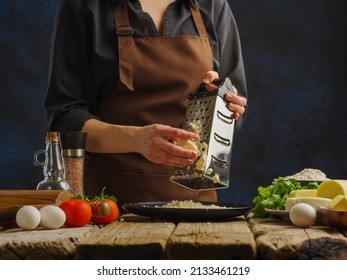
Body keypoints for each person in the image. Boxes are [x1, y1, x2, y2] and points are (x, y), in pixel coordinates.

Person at [44, 0, 248, 205]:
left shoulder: (212, 5)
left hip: (196, 207)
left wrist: (224, 104)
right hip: (108, 207)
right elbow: (65, 118)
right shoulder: (83, 6)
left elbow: (235, 111)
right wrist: (136, 140)